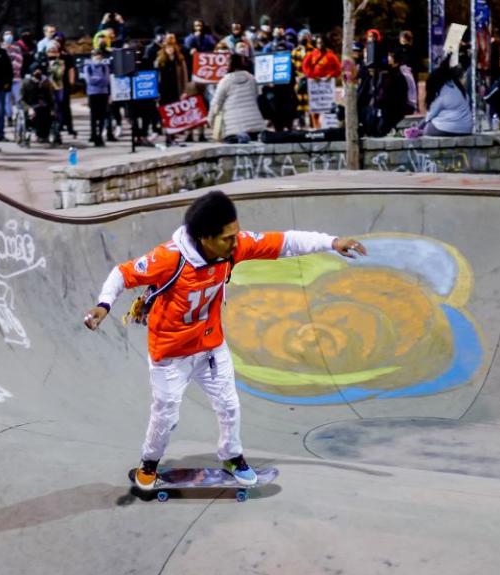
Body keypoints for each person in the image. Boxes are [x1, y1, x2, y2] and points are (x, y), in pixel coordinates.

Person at [83, 191, 366, 491]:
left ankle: (232, 456)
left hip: (210, 348)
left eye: (235, 235)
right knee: (166, 415)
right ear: (205, 238)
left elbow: (285, 242)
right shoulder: (169, 258)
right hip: (170, 354)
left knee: (229, 406)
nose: (235, 243)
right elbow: (122, 274)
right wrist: (103, 305)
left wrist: (332, 242)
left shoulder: (233, 248)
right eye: (227, 238)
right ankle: (149, 463)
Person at [208, 54, 265, 142]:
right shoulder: (251, 78)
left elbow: (216, 104)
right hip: (256, 128)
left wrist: (210, 120)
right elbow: (256, 96)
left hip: (233, 130)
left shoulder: (225, 81)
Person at [421, 56, 472, 136]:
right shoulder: (458, 87)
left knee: (427, 128)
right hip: (467, 128)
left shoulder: (441, 92)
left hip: (448, 127)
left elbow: (429, 116)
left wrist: (418, 127)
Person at [156, 34, 189, 146]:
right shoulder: (160, 61)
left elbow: (184, 76)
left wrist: (184, 91)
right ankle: (168, 137)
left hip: (176, 90)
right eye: (168, 48)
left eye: (171, 48)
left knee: (175, 115)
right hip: (164, 91)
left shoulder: (179, 60)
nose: (170, 50)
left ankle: (173, 136)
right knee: (166, 115)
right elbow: (156, 77)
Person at [20, 62, 55, 144]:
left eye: (39, 71)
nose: (38, 73)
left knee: (47, 113)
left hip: (43, 105)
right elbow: (22, 99)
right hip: (30, 105)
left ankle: (44, 135)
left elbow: (50, 98)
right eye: (36, 71)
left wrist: (52, 109)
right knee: (36, 113)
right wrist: (28, 108)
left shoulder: (45, 83)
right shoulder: (26, 83)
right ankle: (38, 133)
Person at [83, 48, 111, 146]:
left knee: (102, 116)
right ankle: (93, 134)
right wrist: (99, 79)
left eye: (99, 56)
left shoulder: (105, 67)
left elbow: (106, 80)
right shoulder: (88, 67)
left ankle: (100, 135)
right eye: (95, 56)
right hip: (93, 94)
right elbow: (89, 81)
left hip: (103, 93)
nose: (97, 57)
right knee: (94, 116)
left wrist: (97, 79)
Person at [2, 30, 24, 125]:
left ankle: (20, 116)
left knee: (18, 98)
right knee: (7, 99)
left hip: (16, 78)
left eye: (10, 35)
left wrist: (12, 68)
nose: (8, 37)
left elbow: (19, 61)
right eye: (6, 35)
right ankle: (9, 117)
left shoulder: (17, 47)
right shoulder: (1, 48)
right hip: (5, 79)